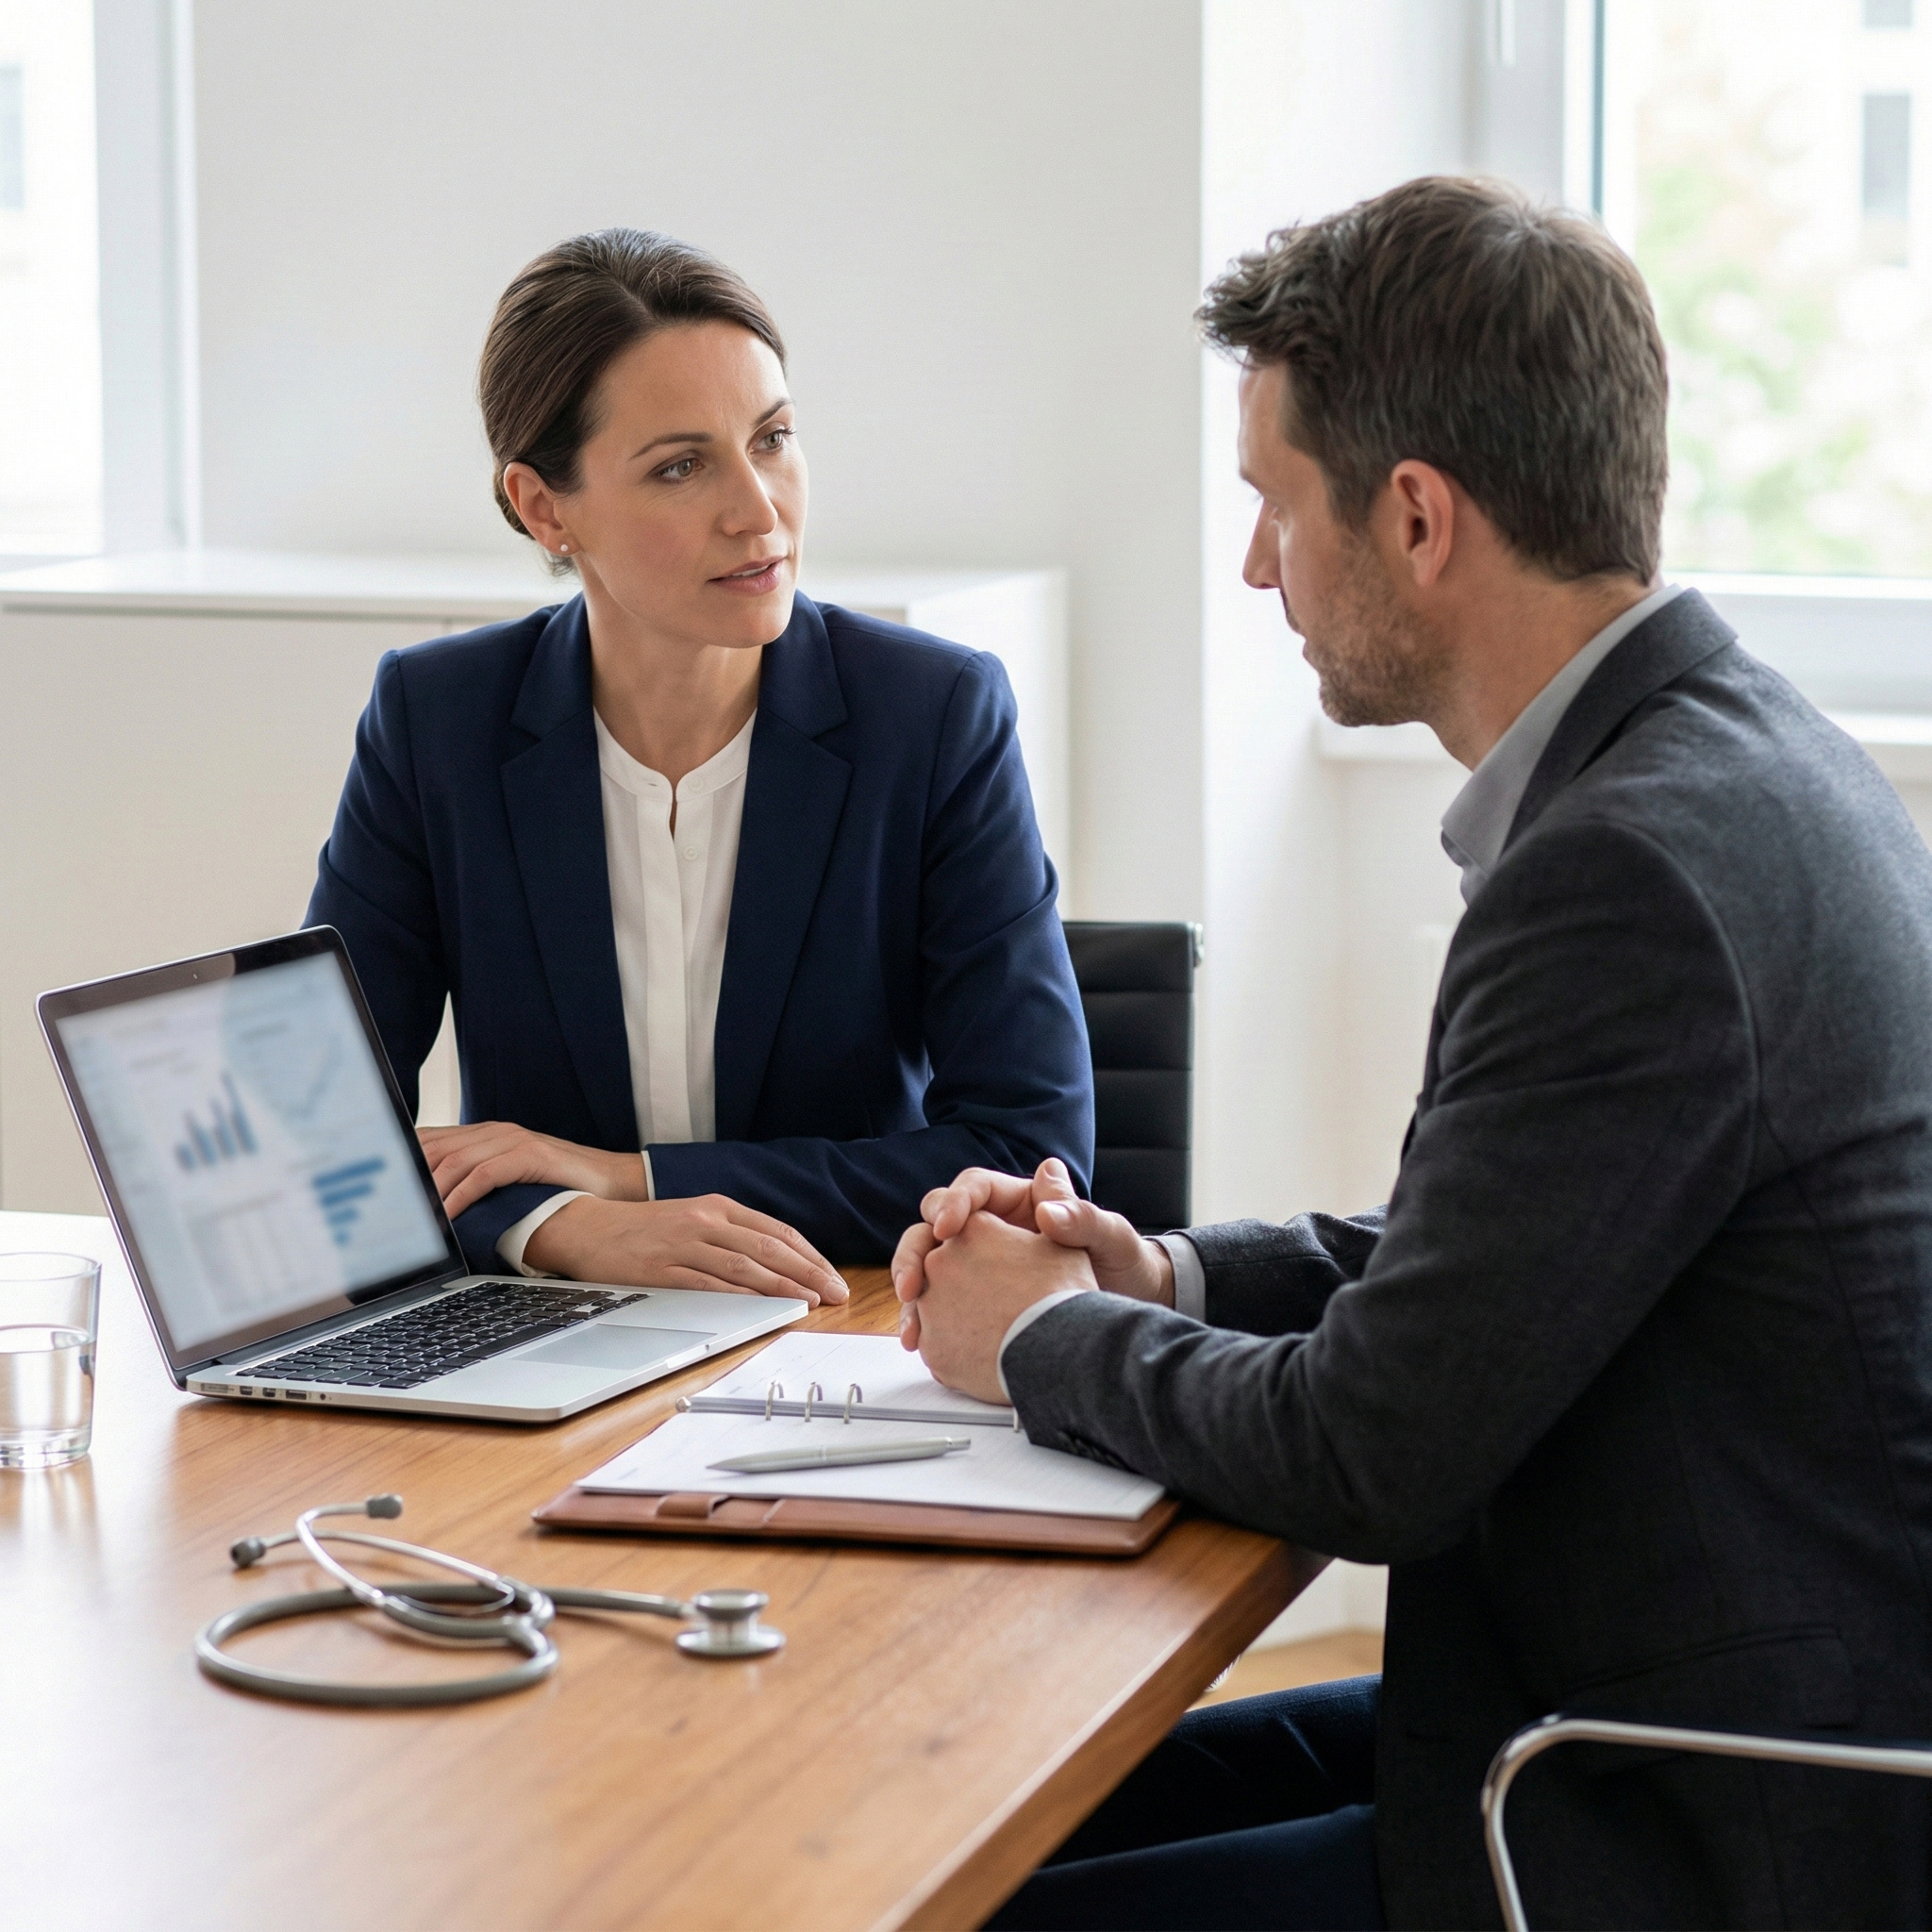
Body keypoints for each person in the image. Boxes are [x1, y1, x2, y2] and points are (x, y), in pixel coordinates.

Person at [893, 177, 1932, 1929]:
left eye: (1271, 507)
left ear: (1417, 517)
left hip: (1704, 1802)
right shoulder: (1736, 760)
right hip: (1648, 1695)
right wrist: (1159, 1269)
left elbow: (1373, 1450)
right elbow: (1495, 1267)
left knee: (973, 1897)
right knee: (972, 1833)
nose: (1252, 566)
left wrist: (1046, 1338)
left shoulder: (1629, 872)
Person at [308, 228, 1091, 1303]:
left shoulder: (934, 715)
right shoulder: (437, 721)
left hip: (846, 1328)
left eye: (771, 438)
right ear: (544, 507)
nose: (757, 509)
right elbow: (325, 1146)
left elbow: (1027, 1148)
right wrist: (557, 1228)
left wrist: (629, 1184)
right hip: (551, 1342)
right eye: (681, 466)